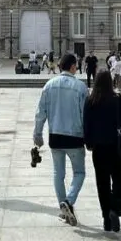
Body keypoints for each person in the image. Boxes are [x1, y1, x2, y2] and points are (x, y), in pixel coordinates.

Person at [34, 54, 89, 226]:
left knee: (58, 174)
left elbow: (40, 113)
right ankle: (69, 201)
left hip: (55, 136)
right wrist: (89, 136)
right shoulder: (81, 87)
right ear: (73, 66)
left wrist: (37, 135)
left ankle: (63, 209)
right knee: (79, 173)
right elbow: (85, 115)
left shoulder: (49, 85)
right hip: (75, 136)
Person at [83, 69, 121, 232]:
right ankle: (114, 209)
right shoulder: (117, 98)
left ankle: (106, 219)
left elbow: (86, 125)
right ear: (110, 81)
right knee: (119, 180)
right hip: (115, 147)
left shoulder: (90, 100)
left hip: (98, 147)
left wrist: (88, 143)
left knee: (102, 183)